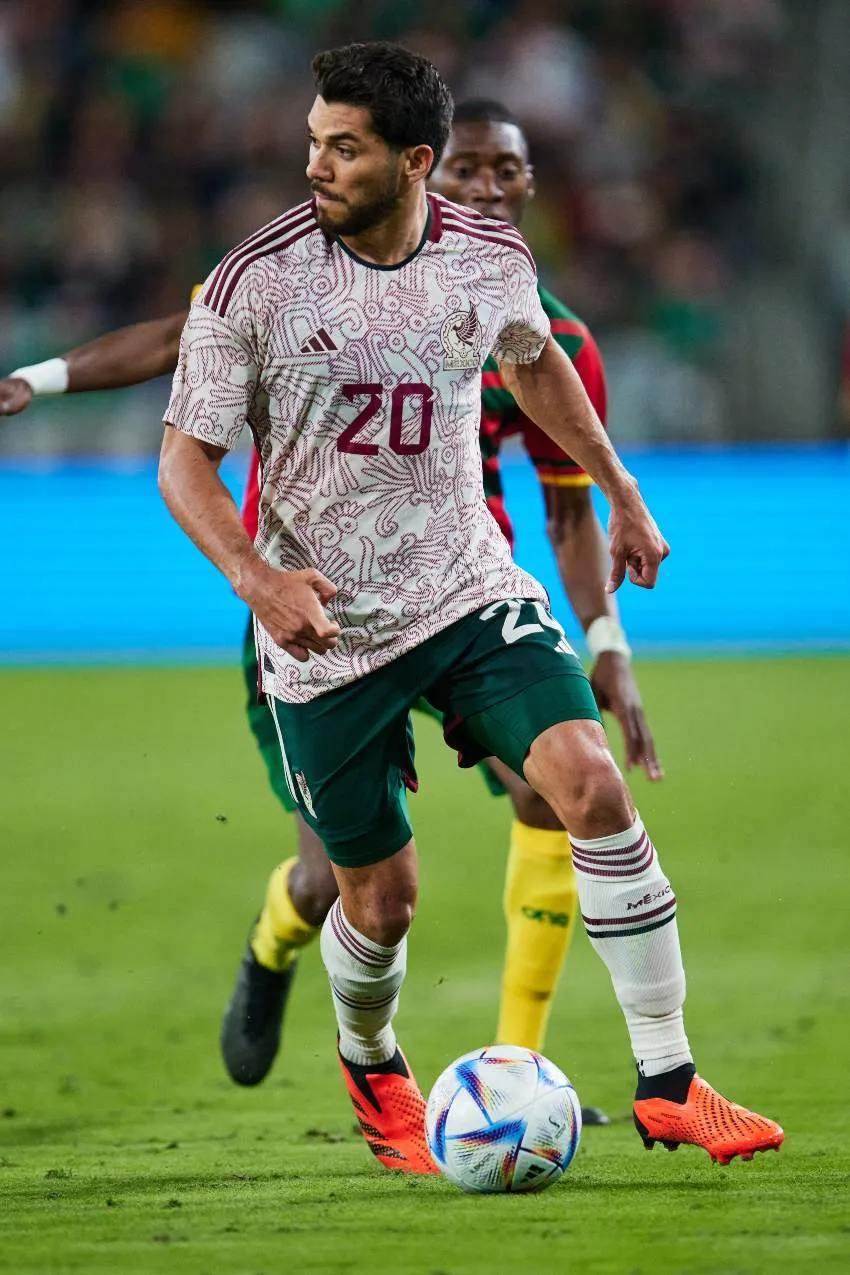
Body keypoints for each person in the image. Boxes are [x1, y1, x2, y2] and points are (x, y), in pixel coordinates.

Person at [158, 41, 783, 1174]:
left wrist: (621, 488)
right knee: (381, 903)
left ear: (412, 161)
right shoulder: (257, 278)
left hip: (465, 589)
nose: (316, 167)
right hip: (328, 628)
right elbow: (183, 466)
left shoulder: (486, 257)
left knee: (589, 785)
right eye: (311, 143)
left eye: (341, 148)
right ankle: (372, 1057)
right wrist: (258, 581)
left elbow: (534, 362)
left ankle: (669, 1082)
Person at [0, 107, 660, 1126]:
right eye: (471, 169)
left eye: (508, 171)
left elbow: (568, 509)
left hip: (460, 606)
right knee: (346, 885)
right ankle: (273, 943)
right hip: (318, 616)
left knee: (558, 790)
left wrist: (606, 643)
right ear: (427, 170)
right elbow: (183, 345)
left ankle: (513, 1065)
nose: (486, 189)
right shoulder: (299, 276)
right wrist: (38, 378)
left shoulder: (542, 326)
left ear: (528, 187)